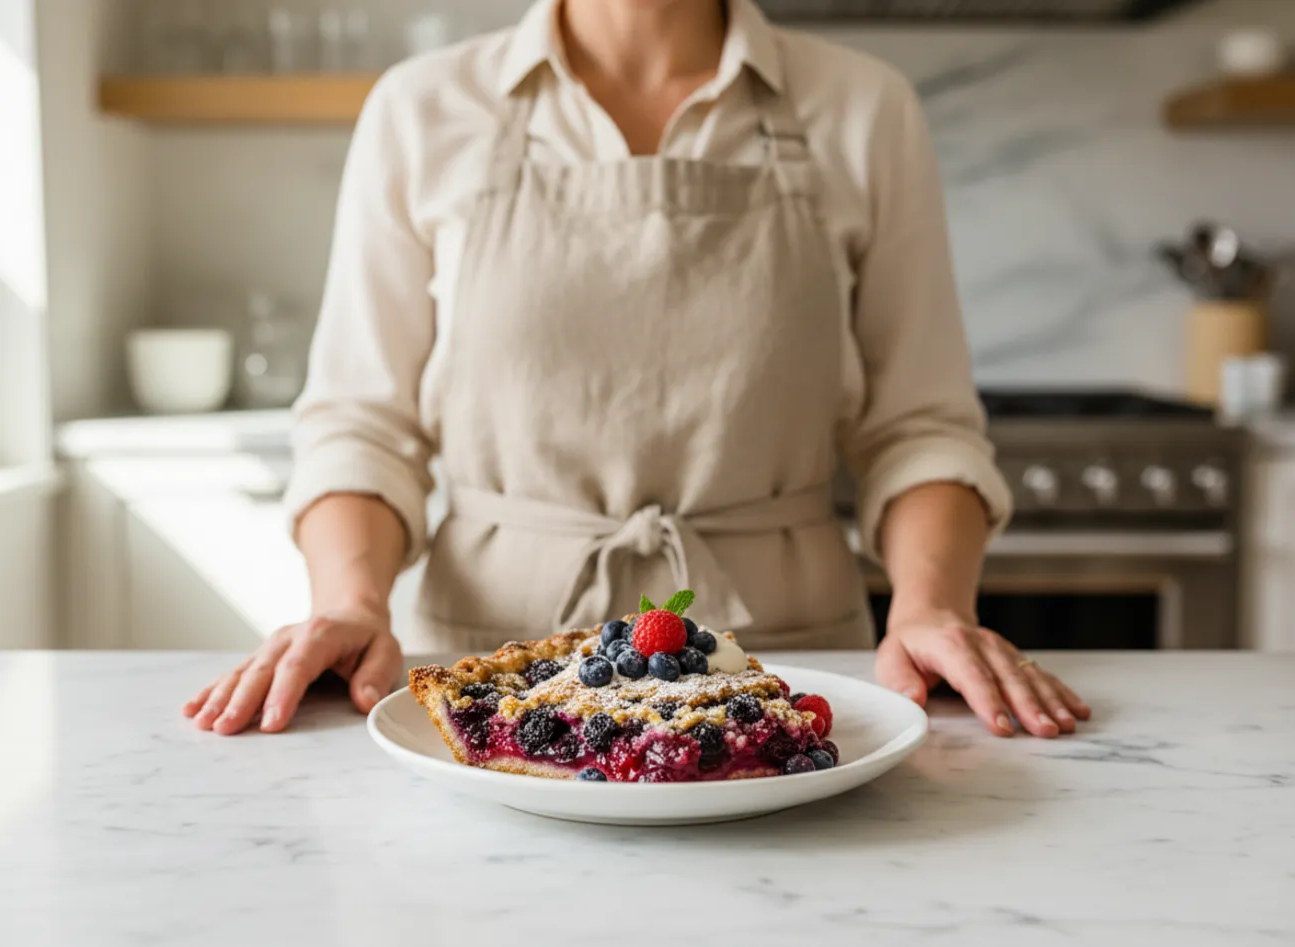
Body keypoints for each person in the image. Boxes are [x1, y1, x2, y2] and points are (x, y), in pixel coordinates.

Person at [184, 0, 1090, 740]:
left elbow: (919, 426)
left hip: (797, 667)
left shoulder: (863, 107)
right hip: (492, 669)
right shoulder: (421, 107)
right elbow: (362, 426)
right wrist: (349, 599)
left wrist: (929, 606)